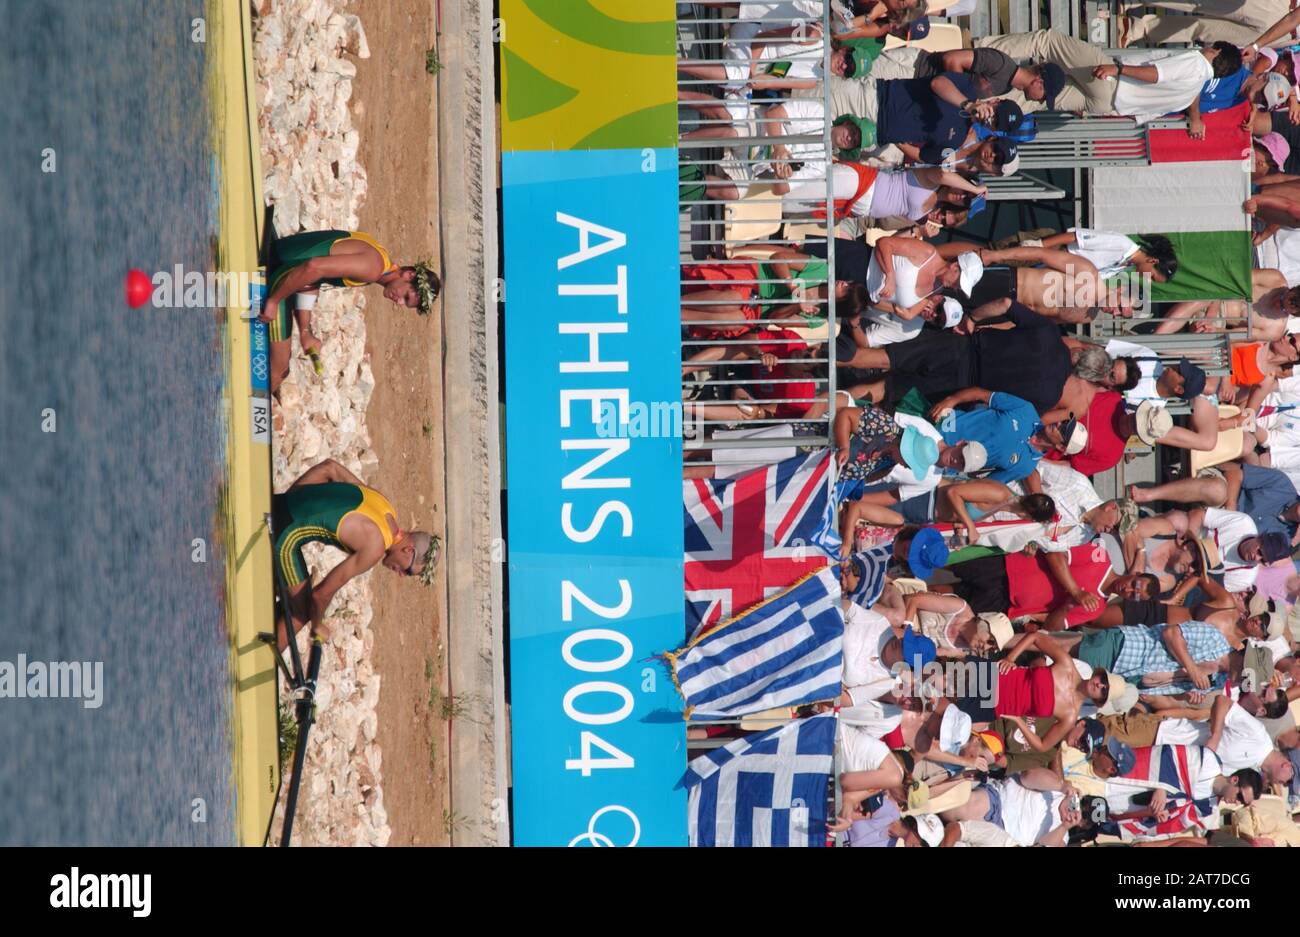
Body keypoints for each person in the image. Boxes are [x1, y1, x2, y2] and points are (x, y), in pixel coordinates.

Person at [271, 458, 438, 650]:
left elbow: (329, 468)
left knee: (294, 593)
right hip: (284, 536)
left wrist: (289, 502)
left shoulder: (385, 506)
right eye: (407, 571)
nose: (400, 574)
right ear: (409, 551)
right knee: (303, 610)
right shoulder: (375, 547)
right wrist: (317, 625)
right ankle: (261, 668)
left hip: (276, 504)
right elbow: (321, 594)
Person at [258, 229, 439, 393]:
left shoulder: (380, 260)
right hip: (280, 268)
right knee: (280, 369)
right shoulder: (372, 268)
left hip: (284, 260)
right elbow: (313, 267)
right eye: (405, 296)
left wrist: (305, 331)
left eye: (405, 303)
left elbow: (312, 280)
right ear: (409, 275)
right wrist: (274, 301)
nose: (399, 302)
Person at [946, 543, 1153, 631]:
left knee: (951, 600)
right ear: (1134, 574)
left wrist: (1069, 606)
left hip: (1008, 602)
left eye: (1134, 595)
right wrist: (1076, 591)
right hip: (1008, 565)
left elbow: (1052, 626)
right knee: (949, 560)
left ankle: (913, 591)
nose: (1129, 590)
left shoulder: (1097, 608)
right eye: (1135, 585)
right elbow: (1054, 554)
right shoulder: (1099, 555)